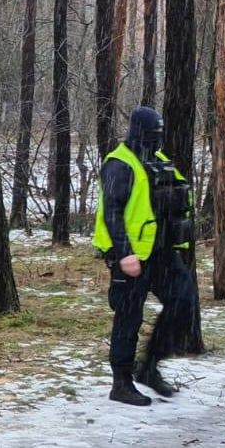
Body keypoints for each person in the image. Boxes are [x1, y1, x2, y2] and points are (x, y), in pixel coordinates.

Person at [94, 107, 196, 406]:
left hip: (162, 253)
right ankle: (121, 383)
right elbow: (111, 212)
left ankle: (149, 366)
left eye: (160, 134)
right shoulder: (119, 164)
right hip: (131, 256)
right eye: (153, 134)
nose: (158, 139)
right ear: (140, 131)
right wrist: (124, 254)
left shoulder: (159, 160)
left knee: (184, 301)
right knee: (129, 317)